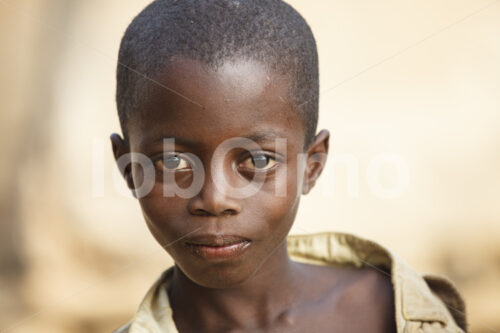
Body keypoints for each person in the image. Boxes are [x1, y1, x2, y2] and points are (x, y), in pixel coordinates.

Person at [110, 0, 467, 332]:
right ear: (129, 168)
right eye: (173, 161)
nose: (216, 199)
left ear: (312, 165)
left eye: (259, 160)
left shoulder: (399, 312)